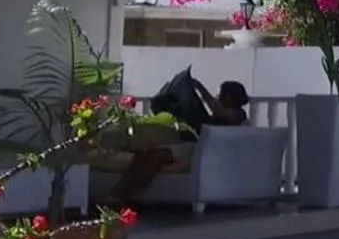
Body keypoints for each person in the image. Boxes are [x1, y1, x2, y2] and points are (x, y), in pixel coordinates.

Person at [103, 80, 249, 203]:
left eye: (224, 94)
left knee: (155, 157)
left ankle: (122, 197)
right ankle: (115, 193)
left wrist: (200, 88)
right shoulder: (220, 114)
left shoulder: (239, 114)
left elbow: (223, 113)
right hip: (195, 146)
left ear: (233, 97)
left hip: (204, 154)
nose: (220, 97)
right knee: (145, 154)